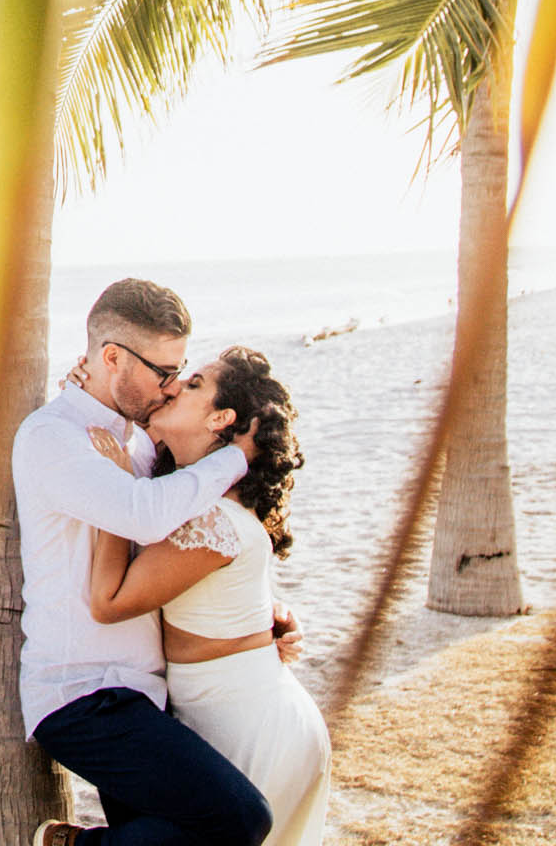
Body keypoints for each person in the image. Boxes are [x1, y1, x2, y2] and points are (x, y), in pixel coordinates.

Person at [13, 279, 274, 846]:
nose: (173, 385)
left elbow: (184, 544)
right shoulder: (52, 438)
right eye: (164, 371)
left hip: (143, 693)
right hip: (83, 694)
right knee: (241, 819)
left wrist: (265, 616)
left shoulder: (136, 442)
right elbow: (145, 515)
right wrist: (235, 457)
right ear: (112, 358)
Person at [85, 347, 328, 846]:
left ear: (221, 418)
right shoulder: (206, 504)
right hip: (237, 711)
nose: (174, 386)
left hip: (250, 726)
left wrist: (119, 490)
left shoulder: (213, 517)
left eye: (193, 384)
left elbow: (109, 602)